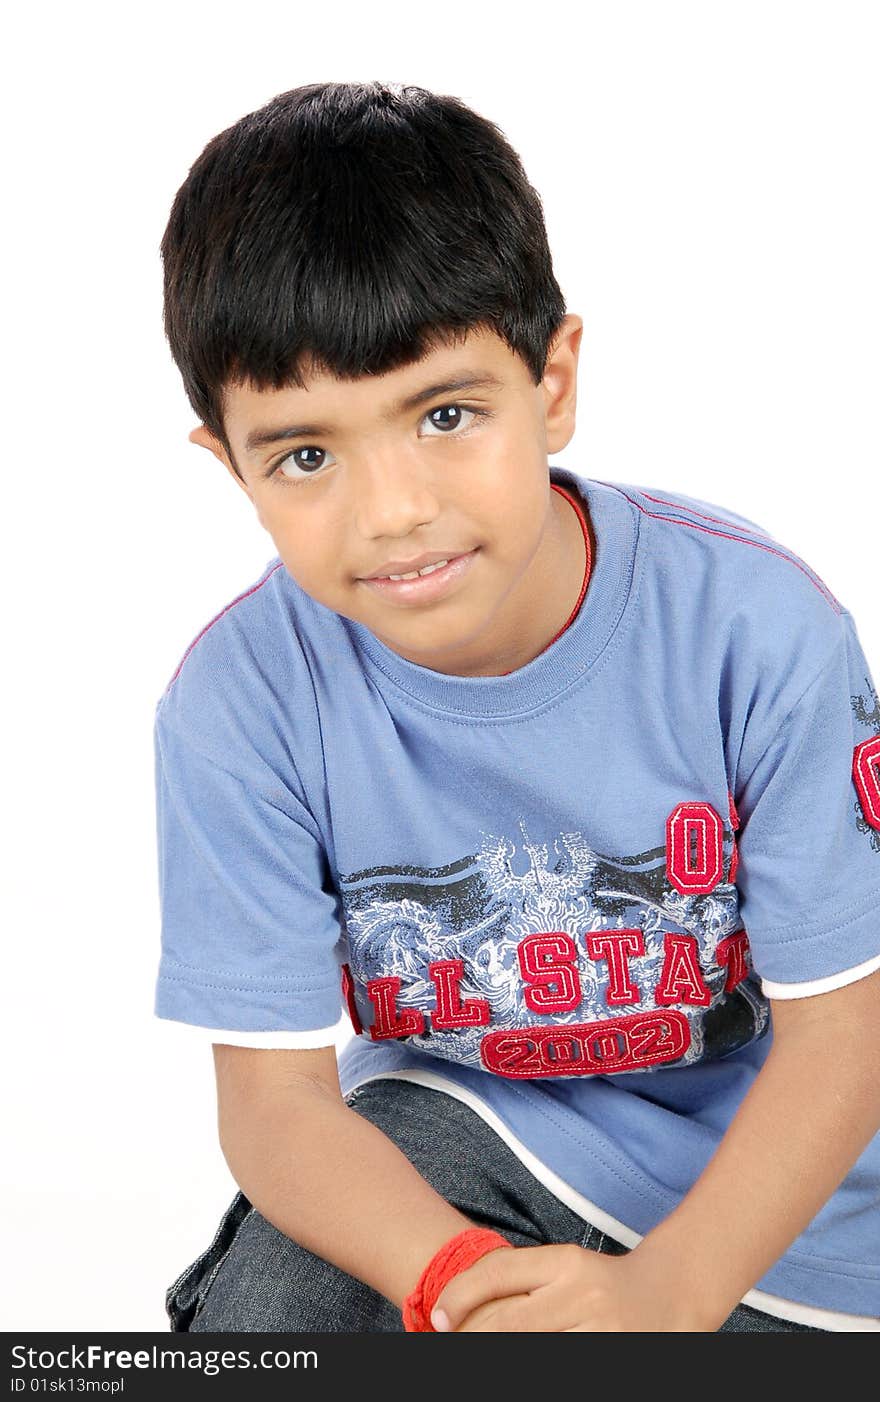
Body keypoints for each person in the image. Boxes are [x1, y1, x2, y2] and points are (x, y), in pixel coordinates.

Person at [153, 80, 880, 1333]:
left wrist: (667, 1290)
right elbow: (274, 1104)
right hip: (472, 1135)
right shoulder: (239, 701)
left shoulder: (757, 632)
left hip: (776, 1193)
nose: (391, 511)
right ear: (229, 462)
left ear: (551, 383)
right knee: (263, 1320)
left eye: (445, 415)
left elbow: (845, 1035)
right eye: (306, 454)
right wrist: (457, 1285)